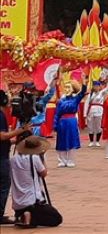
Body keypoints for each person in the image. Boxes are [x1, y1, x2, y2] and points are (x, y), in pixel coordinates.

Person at [1, 90, 34, 226]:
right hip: (1, 158)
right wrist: (22, 130)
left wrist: (16, 141)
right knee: (4, 186)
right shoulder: (0, 116)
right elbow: (2, 136)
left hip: (2, 154)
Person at [9, 135, 49, 228]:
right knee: (56, 218)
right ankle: (30, 216)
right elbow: (43, 173)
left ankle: (22, 215)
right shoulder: (34, 158)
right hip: (32, 201)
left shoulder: (13, 159)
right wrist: (42, 158)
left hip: (18, 202)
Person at [52, 81, 86, 168]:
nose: (67, 89)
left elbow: (82, 93)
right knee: (61, 141)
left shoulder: (75, 99)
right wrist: (55, 125)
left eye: (69, 87)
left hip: (72, 122)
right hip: (62, 122)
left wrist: (84, 83)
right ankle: (62, 160)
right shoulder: (61, 101)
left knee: (71, 140)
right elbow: (57, 114)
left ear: (73, 89)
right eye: (65, 87)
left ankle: (71, 160)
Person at [83, 80, 108, 148]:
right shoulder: (90, 94)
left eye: (97, 86)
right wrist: (85, 114)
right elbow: (86, 104)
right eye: (95, 86)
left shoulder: (102, 93)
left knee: (98, 126)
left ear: (99, 87)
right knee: (90, 126)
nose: (96, 87)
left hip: (99, 111)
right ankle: (91, 141)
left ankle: (97, 141)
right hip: (91, 111)